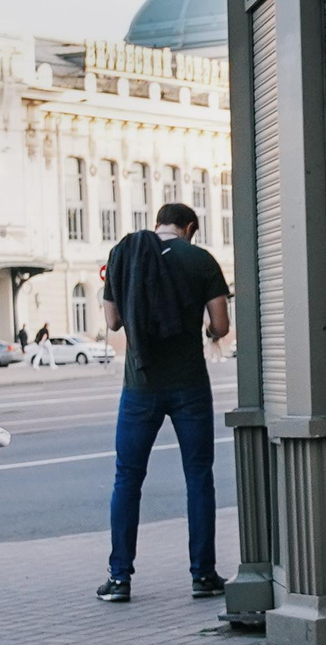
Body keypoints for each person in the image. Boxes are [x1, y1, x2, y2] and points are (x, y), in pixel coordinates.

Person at [96, 204, 231, 603]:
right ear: (189, 228)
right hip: (190, 385)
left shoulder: (124, 253)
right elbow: (221, 325)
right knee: (198, 477)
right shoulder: (201, 260)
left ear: (158, 224)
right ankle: (203, 575)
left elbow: (112, 321)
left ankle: (119, 579)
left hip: (140, 386)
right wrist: (206, 330)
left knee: (127, 478)